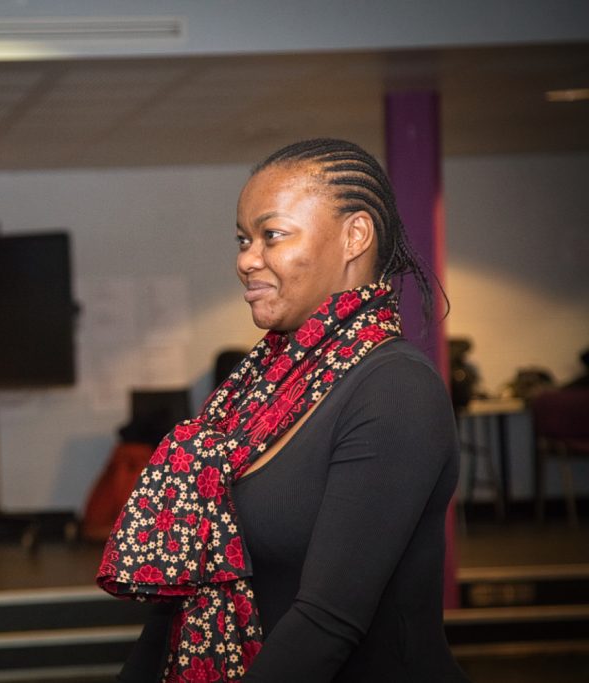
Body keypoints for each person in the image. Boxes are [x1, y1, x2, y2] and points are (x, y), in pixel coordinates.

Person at [99, 138, 468, 681]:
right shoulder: (260, 390)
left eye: (271, 235)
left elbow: (328, 620)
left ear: (354, 236)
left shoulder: (395, 390)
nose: (246, 259)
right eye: (244, 240)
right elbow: (185, 593)